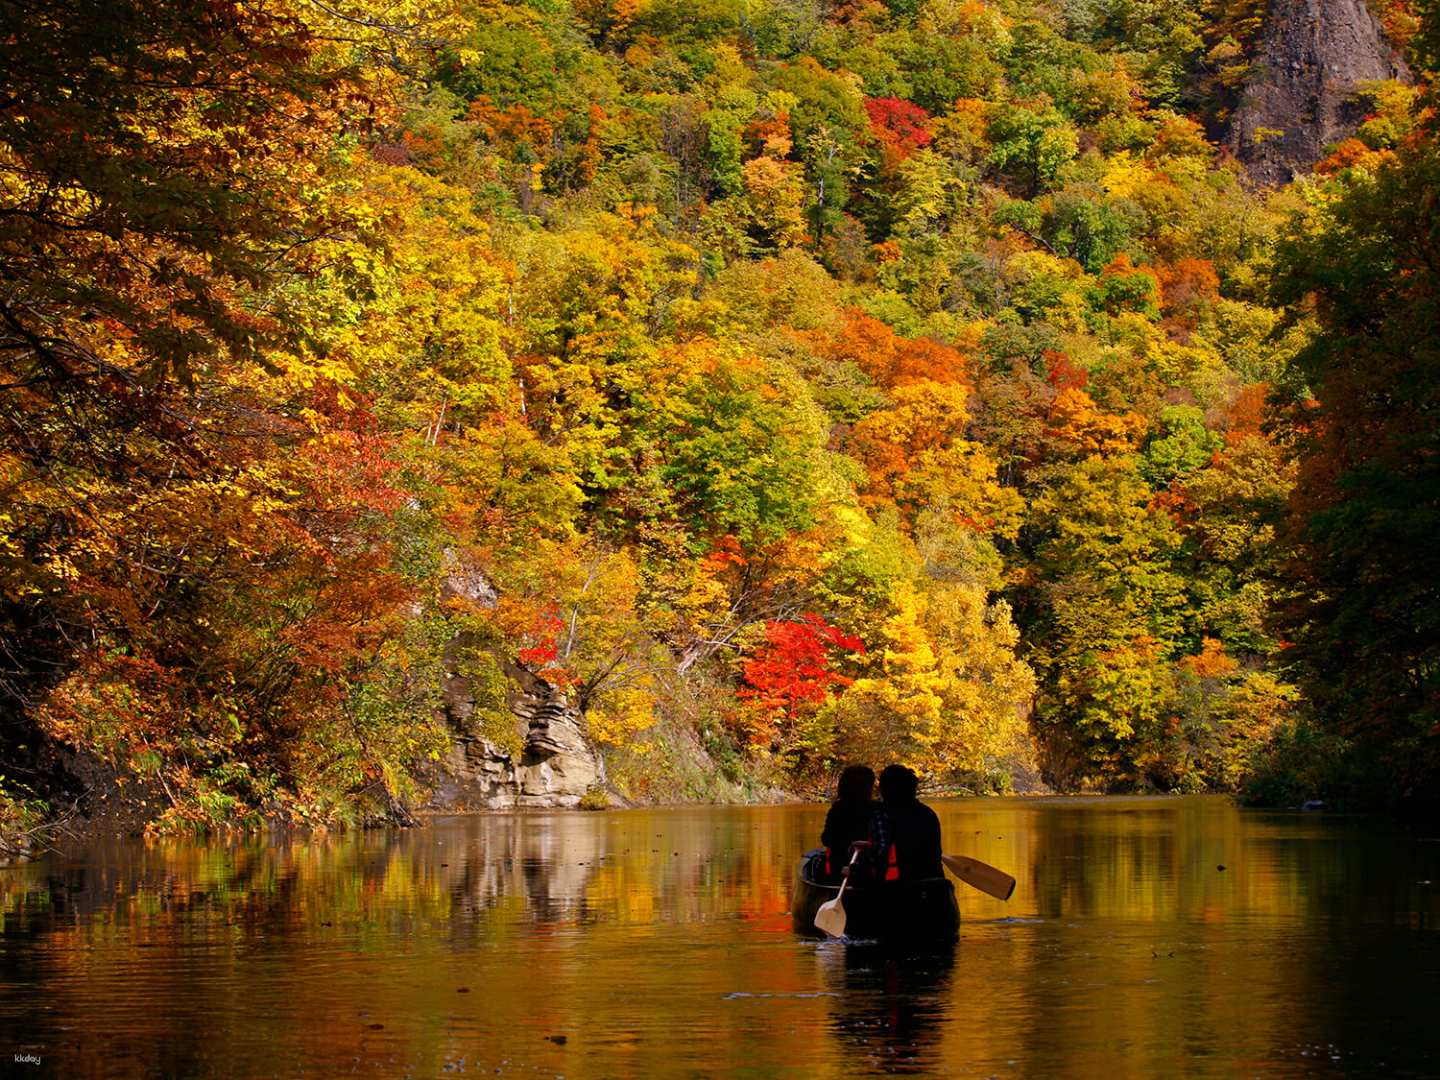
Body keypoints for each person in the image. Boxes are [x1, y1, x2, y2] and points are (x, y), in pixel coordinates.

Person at [872, 764, 943, 882]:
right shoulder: (928, 814)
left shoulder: (881, 815)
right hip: (932, 883)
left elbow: (881, 853)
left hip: (897, 885)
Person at [819, 765, 875, 883]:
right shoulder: (877, 809)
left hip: (842, 867)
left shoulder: (837, 809)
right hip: (867, 871)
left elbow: (826, 839)